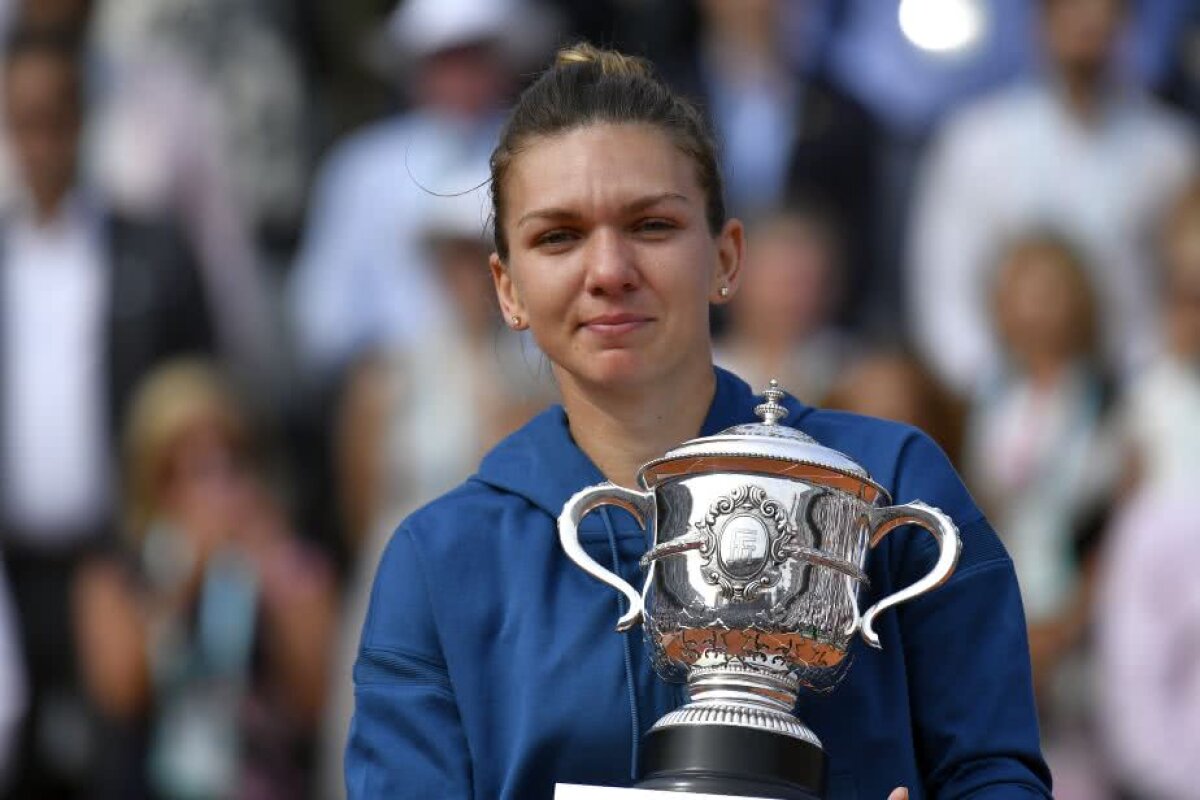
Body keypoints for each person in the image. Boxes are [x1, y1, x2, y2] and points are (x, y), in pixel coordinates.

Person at [346, 44, 1051, 799]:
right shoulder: (441, 561)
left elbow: (994, 772)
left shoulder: (891, 484)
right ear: (507, 288)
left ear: (726, 257)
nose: (609, 270)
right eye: (558, 236)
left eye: (650, 225)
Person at [73, 359, 337, 799]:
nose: (215, 490)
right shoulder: (114, 577)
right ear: (152, 482)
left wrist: (270, 574)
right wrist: (184, 579)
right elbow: (121, 693)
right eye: (190, 471)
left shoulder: (287, 563)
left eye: (228, 464)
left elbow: (318, 699)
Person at [908, 0, 1197, 394]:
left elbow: (1181, 290)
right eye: (1072, 9)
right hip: (1000, 396)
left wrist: (1138, 388)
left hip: (1131, 390)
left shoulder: (1171, 152)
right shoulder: (976, 140)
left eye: (1105, 12)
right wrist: (991, 391)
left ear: (1128, 26)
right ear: (1041, 22)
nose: (1088, 26)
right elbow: (944, 288)